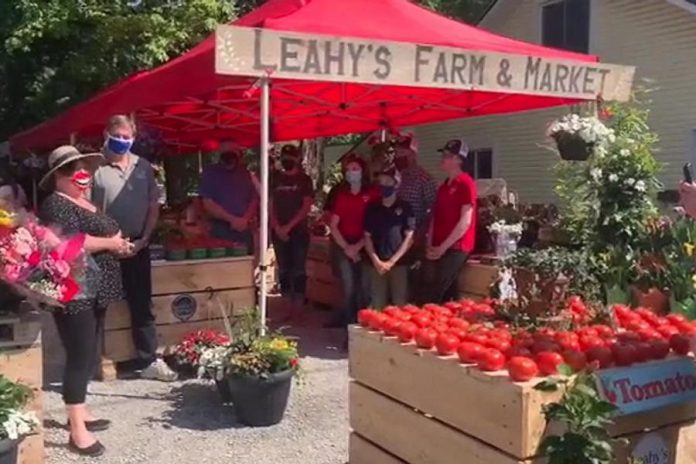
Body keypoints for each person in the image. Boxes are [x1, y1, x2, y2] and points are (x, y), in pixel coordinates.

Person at [39, 146, 132, 457]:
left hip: (96, 288)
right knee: (80, 355)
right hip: (76, 290)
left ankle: (79, 411)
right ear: (59, 177)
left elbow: (100, 231)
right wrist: (113, 242)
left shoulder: (81, 202)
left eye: (84, 168)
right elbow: (72, 243)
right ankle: (76, 431)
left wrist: (116, 242)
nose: (84, 175)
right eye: (75, 170)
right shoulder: (55, 205)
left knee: (89, 350)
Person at [92, 115, 176, 381]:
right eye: (118, 136)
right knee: (99, 305)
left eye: (127, 137)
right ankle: (94, 359)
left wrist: (145, 238)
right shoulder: (94, 167)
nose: (123, 141)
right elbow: (89, 210)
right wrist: (110, 240)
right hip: (105, 247)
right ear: (106, 133)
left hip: (138, 244)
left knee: (142, 304)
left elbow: (153, 205)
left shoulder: (143, 167)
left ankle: (147, 359)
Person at [328, 154, 379, 327]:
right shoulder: (342, 196)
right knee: (348, 287)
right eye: (348, 170)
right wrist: (347, 248)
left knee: (364, 289)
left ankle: (362, 325)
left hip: (365, 244)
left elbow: (374, 225)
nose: (351, 172)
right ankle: (348, 327)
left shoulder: (372, 194)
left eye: (355, 169)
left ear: (363, 171)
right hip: (344, 244)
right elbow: (333, 224)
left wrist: (358, 247)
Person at [425, 139, 477, 303]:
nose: (443, 159)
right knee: (447, 293)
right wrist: (430, 242)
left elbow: (465, 221)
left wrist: (443, 247)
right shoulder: (443, 186)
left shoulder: (466, 183)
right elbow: (436, 216)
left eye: (448, 156)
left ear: (459, 160)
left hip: (456, 246)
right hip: (439, 245)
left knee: (436, 290)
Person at [270, 145, 314, 314]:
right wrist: (276, 226)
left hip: (299, 231)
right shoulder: (275, 178)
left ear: (298, 159)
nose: (287, 160)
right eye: (285, 156)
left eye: (291, 157)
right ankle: (285, 305)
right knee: (283, 269)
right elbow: (270, 203)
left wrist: (288, 227)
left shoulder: (305, 180)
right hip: (278, 231)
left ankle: (298, 307)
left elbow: (306, 205)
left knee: (298, 269)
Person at [364, 168, 415, 309]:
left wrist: (392, 261)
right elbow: (367, 236)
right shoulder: (372, 208)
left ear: (396, 184)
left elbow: (409, 237)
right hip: (377, 263)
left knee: (400, 301)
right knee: (377, 302)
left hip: (399, 263)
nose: (383, 185)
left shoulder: (405, 208)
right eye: (381, 182)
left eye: (388, 181)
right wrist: (376, 260)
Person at [199, 141, 258, 252]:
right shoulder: (210, 173)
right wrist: (232, 220)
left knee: (245, 264)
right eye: (225, 155)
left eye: (232, 154)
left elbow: (253, 199)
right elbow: (208, 203)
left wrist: (245, 219)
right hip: (220, 229)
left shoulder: (245, 173)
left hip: (243, 229)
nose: (229, 160)